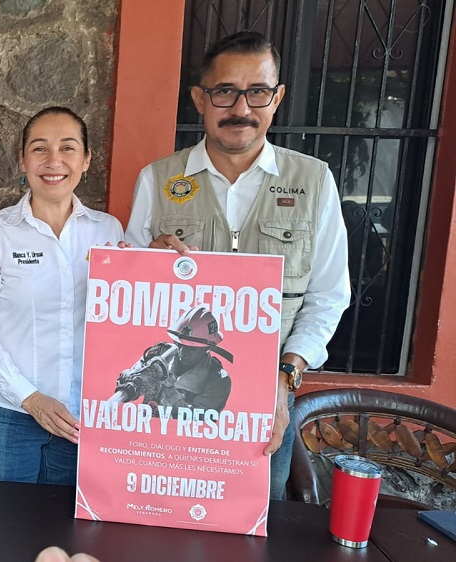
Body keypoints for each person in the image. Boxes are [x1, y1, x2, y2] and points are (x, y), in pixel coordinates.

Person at [125, 31, 350, 499]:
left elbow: (328, 296)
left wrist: (285, 382)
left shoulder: (314, 182)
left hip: (267, 410)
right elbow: (128, 300)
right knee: (156, 520)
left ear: (277, 97)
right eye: (225, 91)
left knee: (248, 537)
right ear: (199, 99)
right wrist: (146, 268)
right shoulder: (158, 180)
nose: (241, 108)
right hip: (169, 413)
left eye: (258, 92)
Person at [0, 107, 125, 485]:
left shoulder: (108, 232)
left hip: (82, 417)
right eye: (39, 148)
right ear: (22, 159)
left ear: (86, 160)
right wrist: (30, 398)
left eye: (68, 148)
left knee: (66, 535)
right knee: (1, 530)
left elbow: (125, 321)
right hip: (7, 416)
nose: (54, 161)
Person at [114, 306, 233, 413]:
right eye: (179, 345)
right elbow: (126, 377)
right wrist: (134, 379)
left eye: (191, 349)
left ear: (207, 348)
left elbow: (194, 420)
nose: (182, 352)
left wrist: (168, 389)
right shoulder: (159, 353)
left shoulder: (218, 380)